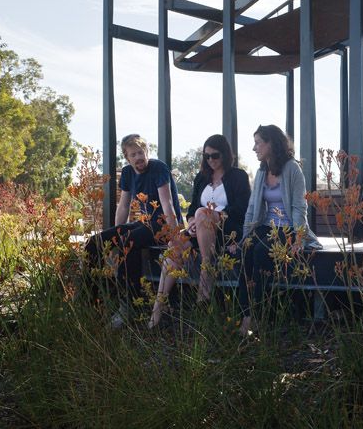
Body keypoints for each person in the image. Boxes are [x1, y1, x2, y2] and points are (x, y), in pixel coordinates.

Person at [149, 134, 250, 328]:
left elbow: (242, 209)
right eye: (206, 156)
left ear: (226, 154)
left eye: (215, 155)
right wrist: (194, 221)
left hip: (227, 232)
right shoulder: (201, 178)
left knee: (203, 212)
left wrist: (212, 215)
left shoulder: (238, 176)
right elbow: (193, 208)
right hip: (200, 231)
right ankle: (158, 309)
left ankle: (205, 279)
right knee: (174, 245)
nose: (210, 160)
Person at [237, 124, 318, 335]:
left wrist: (299, 238)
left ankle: (258, 318)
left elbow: (300, 207)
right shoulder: (261, 171)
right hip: (266, 226)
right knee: (246, 250)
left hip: (288, 228)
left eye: (258, 143)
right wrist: (244, 237)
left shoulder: (292, 169)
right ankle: (246, 314)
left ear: (271, 143)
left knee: (261, 253)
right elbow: (253, 208)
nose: (254, 148)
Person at [86, 134, 179, 313]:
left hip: (164, 225)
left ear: (147, 151)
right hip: (145, 224)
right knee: (95, 242)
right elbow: (123, 206)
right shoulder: (128, 173)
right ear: (127, 157)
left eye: (141, 152)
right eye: (133, 155)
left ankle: (128, 305)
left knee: (128, 241)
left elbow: (167, 204)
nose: (139, 157)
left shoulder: (158, 168)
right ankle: (90, 301)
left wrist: (174, 235)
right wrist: (114, 233)